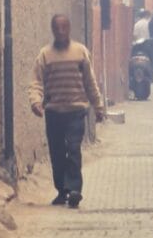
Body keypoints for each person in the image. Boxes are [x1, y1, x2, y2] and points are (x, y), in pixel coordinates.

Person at [26, 12, 102, 208]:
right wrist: (36, 102)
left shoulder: (80, 52)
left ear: (69, 29)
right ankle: (62, 190)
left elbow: (90, 82)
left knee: (73, 149)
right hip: (53, 112)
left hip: (76, 111)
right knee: (57, 152)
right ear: (52, 30)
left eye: (64, 27)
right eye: (56, 28)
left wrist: (98, 106)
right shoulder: (45, 55)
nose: (60, 31)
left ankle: (75, 189)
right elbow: (36, 81)